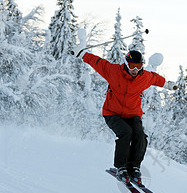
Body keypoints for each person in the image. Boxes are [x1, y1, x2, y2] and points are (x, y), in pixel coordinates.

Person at [72, 47, 177, 184]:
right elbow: (97, 62)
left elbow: (155, 79)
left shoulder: (143, 77)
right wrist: (82, 53)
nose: (135, 70)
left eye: (138, 66)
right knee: (126, 132)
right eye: (132, 66)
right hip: (112, 113)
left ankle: (134, 167)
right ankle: (121, 167)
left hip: (132, 114)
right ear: (126, 64)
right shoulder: (113, 71)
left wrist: (168, 85)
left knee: (140, 135)